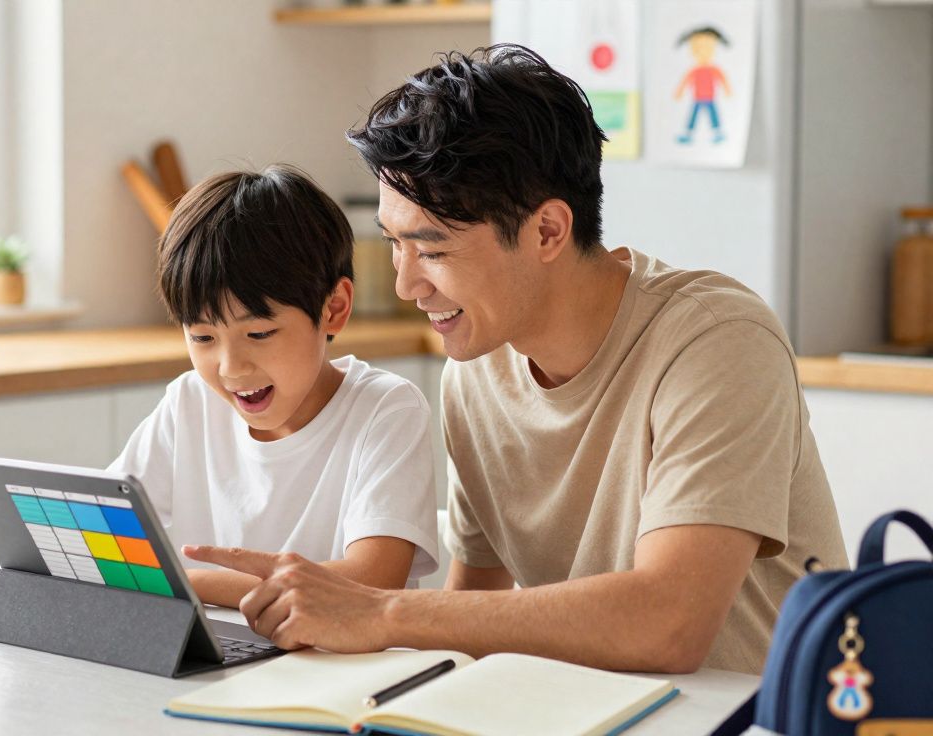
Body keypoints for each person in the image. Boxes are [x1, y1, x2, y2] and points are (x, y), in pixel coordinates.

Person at [186, 46, 846, 675]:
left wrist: (380, 611)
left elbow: (671, 623)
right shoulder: (475, 373)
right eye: (394, 244)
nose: (407, 285)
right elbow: (473, 611)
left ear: (548, 231)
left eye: (433, 250)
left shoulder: (717, 342)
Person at [109, 165, 439, 608]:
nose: (231, 368)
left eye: (259, 333)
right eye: (203, 338)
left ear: (333, 309)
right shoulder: (189, 402)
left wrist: (184, 585)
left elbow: (373, 580)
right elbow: (101, 527)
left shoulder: (386, 410)